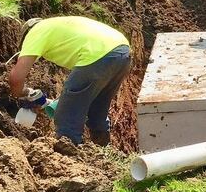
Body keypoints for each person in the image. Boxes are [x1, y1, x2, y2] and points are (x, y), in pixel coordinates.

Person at [8, 17, 131, 146]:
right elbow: (82, 92)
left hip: (98, 55)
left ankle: (70, 158)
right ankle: (103, 152)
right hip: (122, 51)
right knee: (97, 110)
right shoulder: (57, 26)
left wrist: (22, 93)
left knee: (66, 119)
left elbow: (16, 79)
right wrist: (58, 103)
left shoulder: (35, 32)